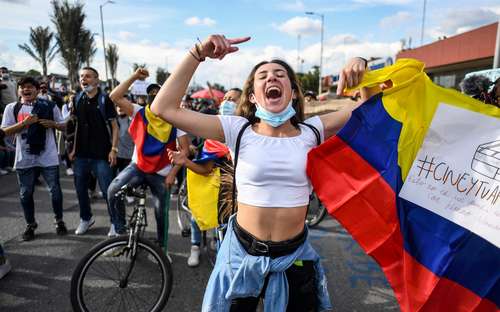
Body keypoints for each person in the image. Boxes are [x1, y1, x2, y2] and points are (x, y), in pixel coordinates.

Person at [151, 34, 367, 311]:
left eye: (280, 75)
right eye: (262, 76)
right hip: (241, 255)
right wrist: (197, 52)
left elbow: (371, 110)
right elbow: (163, 108)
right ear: (252, 96)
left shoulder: (313, 130)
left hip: (294, 257)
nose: (271, 78)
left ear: (293, 92)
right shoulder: (236, 129)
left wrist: (362, 68)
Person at [108, 68, 190, 244]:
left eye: (157, 93)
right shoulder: (139, 111)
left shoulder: (176, 118)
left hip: (162, 173)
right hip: (137, 167)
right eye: (151, 93)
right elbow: (114, 96)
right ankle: (120, 233)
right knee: (113, 191)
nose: (154, 95)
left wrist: (172, 174)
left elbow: (185, 151)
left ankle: (161, 246)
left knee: (161, 212)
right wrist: (135, 77)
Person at [170, 88, 242, 267]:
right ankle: (196, 247)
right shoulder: (214, 137)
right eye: (225, 98)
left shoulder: (252, 132)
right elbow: (205, 169)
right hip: (221, 199)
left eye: (232, 99)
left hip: (247, 202)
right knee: (222, 250)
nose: (227, 102)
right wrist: (185, 161)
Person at [0, 77, 68, 241]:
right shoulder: (12, 108)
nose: (25, 90)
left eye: (30, 87)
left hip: (48, 156)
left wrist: (53, 124)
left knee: (55, 192)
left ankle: (59, 220)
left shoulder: (50, 105)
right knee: (25, 193)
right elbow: (4, 131)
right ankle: (31, 224)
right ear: (18, 91)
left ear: (37, 90)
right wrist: (24, 124)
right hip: (24, 158)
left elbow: (63, 125)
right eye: (22, 87)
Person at [69, 67, 119, 235]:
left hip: (102, 155)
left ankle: (115, 222)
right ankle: (86, 218)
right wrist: (74, 149)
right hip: (82, 155)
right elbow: (76, 126)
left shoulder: (105, 99)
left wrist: (113, 149)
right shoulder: (77, 98)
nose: (84, 79)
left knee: (108, 191)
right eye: (82, 76)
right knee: (80, 189)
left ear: (97, 80)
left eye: (88, 76)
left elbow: (114, 126)